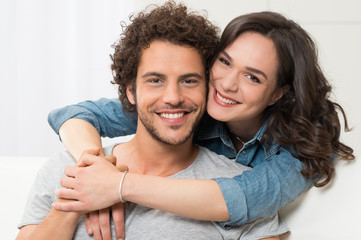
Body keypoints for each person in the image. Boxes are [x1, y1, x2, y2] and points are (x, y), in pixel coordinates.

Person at [50, 2, 354, 235]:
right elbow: (74, 115)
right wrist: (93, 168)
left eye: (252, 76)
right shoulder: (187, 106)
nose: (227, 83)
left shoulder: (304, 144)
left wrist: (116, 187)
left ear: (278, 94)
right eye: (225, 62)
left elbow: (244, 199)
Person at [17, 2, 289, 239]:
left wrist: (117, 186)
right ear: (131, 91)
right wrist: (82, 190)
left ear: (207, 88)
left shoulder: (237, 184)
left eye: (189, 81)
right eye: (155, 80)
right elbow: (73, 115)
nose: (173, 97)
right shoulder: (68, 168)